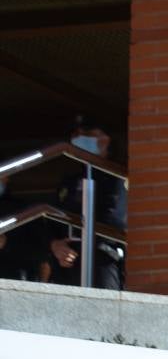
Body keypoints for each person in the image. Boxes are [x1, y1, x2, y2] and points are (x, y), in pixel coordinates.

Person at [41, 115, 128, 289]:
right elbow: (50, 219)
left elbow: (114, 220)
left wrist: (80, 240)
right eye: (76, 133)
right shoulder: (69, 181)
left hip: (102, 258)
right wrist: (55, 245)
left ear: (104, 141)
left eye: (86, 132)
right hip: (65, 262)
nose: (78, 137)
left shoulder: (117, 177)